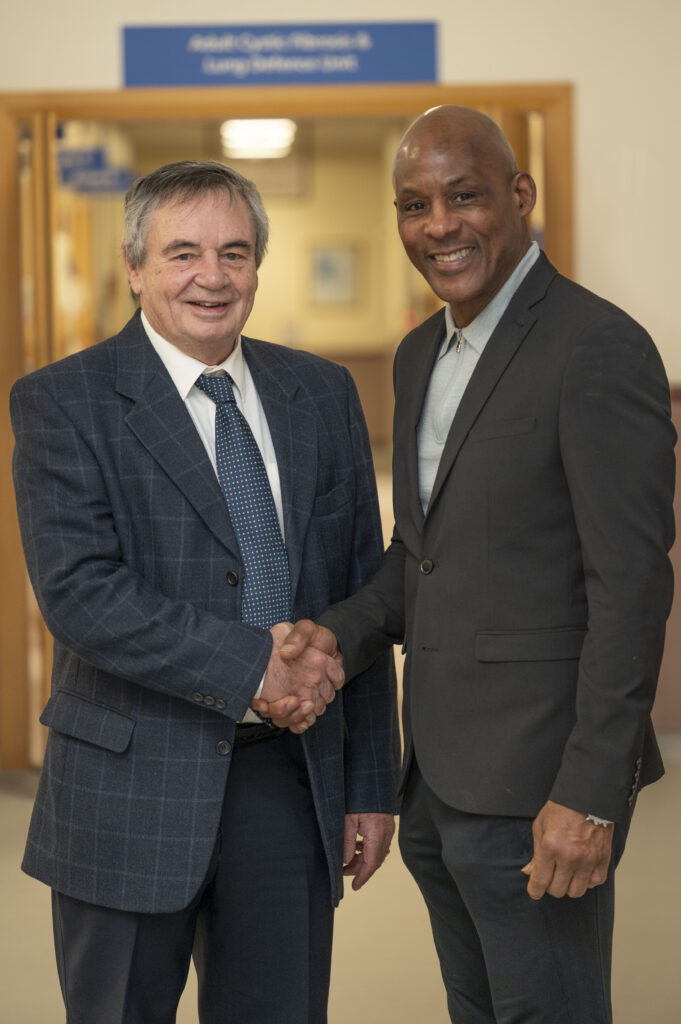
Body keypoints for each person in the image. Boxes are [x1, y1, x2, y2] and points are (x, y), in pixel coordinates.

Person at [260, 106, 677, 1023]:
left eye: (464, 197)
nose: (438, 225)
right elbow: (423, 555)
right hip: (440, 783)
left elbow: (632, 586)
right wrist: (333, 636)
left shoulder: (595, 346)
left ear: (519, 196)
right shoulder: (420, 354)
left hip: (541, 786)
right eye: (414, 205)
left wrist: (589, 796)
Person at [10, 160, 400, 1024]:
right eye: (182, 252)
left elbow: (358, 594)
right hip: (127, 786)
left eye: (234, 252)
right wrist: (255, 667)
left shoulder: (321, 393)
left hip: (285, 781)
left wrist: (371, 783)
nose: (212, 277)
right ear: (134, 266)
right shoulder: (62, 401)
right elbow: (80, 594)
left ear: (258, 265)